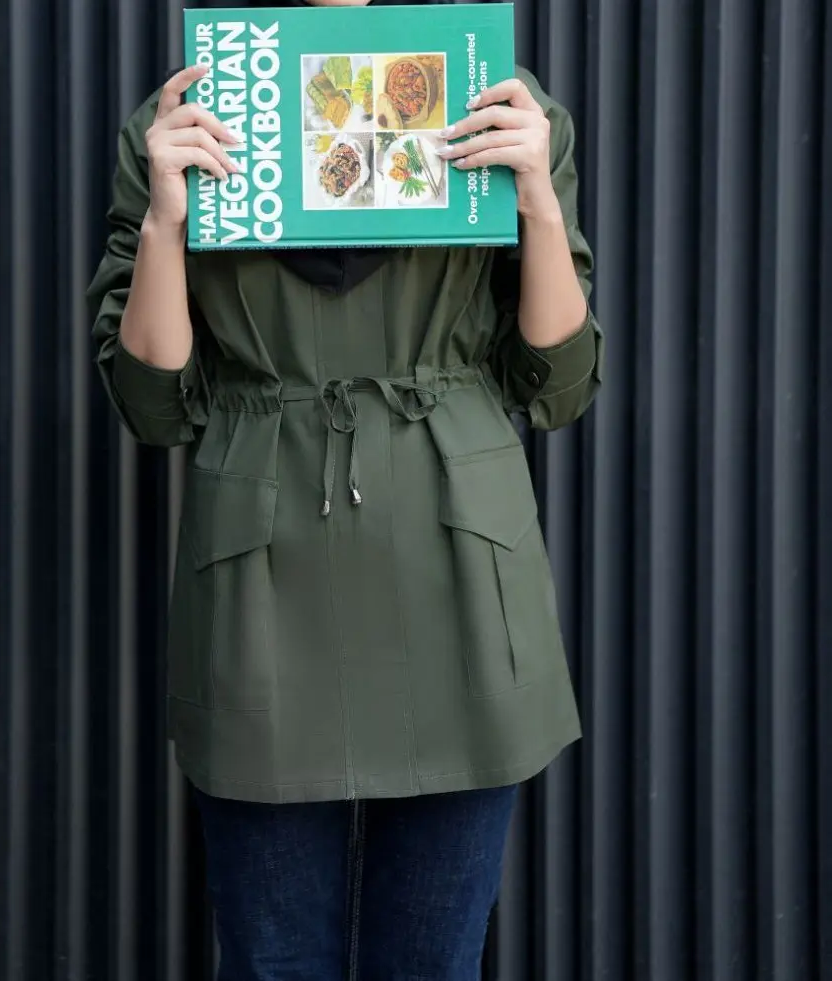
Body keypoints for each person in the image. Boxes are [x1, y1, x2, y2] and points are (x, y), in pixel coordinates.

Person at [88, 0, 603, 975]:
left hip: (460, 567)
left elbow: (561, 385)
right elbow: (153, 406)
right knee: (273, 961)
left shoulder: (491, 93)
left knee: (433, 962)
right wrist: (163, 220)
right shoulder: (189, 112)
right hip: (263, 582)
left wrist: (538, 198)